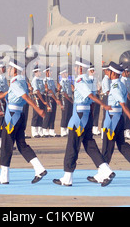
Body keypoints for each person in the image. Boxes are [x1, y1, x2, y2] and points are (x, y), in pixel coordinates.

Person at [0, 59, 47, 184]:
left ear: (14, 70)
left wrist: (38, 110)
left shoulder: (15, 83)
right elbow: (4, 94)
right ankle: (39, 168)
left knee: (6, 145)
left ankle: (4, 177)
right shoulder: (22, 81)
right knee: (21, 144)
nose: (8, 71)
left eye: (10, 69)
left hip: (12, 117)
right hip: (19, 115)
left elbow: (25, 97)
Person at [53, 58, 114, 187]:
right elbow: (92, 100)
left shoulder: (80, 80)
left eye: (76, 67)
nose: (74, 69)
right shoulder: (90, 80)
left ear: (80, 69)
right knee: (90, 146)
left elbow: (91, 97)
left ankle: (67, 177)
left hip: (79, 117)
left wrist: (104, 105)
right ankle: (106, 170)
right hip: (87, 116)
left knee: (72, 146)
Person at [100, 62, 130, 183]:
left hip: (113, 119)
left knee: (107, 147)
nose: (107, 73)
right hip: (118, 118)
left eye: (108, 72)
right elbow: (127, 96)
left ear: (113, 73)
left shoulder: (116, 86)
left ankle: (104, 175)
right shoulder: (120, 84)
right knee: (122, 145)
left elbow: (122, 104)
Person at [42, 67, 62, 137]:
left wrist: (58, 89)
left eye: (51, 71)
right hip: (49, 98)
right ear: (46, 72)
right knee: (48, 114)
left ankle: (51, 130)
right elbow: (49, 91)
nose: (51, 72)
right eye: (49, 71)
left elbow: (54, 90)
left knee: (53, 114)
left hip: (53, 97)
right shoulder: (45, 80)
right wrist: (56, 99)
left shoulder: (52, 80)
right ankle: (44, 130)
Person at [30, 66, 46, 138]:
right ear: (35, 72)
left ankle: (40, 131)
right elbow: (37, 91)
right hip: (37, 98)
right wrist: (42, 100)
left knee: (41, 114)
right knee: (36, 114)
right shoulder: (35, 80)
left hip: (42, 96)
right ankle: (34, 132)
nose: (40, 73)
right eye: (39, 71)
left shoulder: (41, 80)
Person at [120, 66, 130, 139]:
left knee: (129, 114)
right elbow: (126, 92)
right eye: (127, 72)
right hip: (125, 99)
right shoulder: (122, 80)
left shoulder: (128, 79)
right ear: (123, 72)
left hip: (129, 99)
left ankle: (128, 130)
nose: (128, 73)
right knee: (125, 115)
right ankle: (124, 131)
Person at [58, 67, 73, 137]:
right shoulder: (62, 82)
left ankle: (67, 128)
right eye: (66, 73)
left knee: (69, 114)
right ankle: (63, 129)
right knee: (65, 114)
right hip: (65, 99)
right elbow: (63, 92)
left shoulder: (68, 81)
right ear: (63, 74)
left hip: (69, 98)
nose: (67, 74)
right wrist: (70, 100)